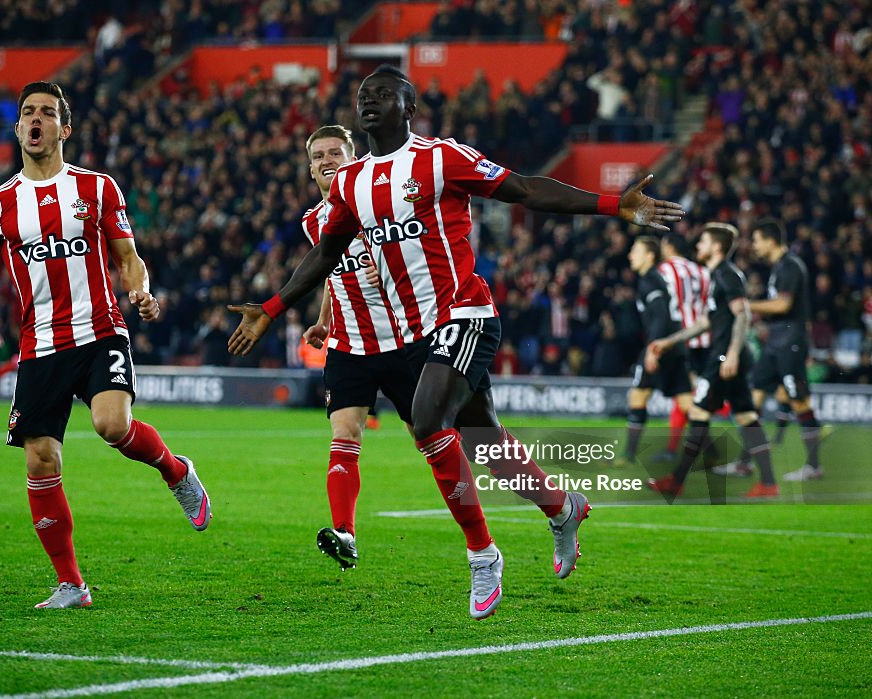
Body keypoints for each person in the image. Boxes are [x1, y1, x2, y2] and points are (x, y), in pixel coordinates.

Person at [229, 65, 684, 619]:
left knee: (427, 422)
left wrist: (612, 205)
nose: (369, 101)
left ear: (409, 105)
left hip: (466, 313)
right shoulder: (352, 183)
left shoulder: (443, 157)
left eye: (382, 94)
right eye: (362, 95)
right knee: (485, 443)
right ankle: (562, 508)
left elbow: (522, 189)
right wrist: (272, 309)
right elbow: (326, 255)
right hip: (417, 331)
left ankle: (482, 554)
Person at [0, 81, 211, 609]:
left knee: (112, 425)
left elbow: (127, 256)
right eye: (28, 113)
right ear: (18, 128)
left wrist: (141, 289)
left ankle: (176, 471)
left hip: (99, 330)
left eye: (48, 113)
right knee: (41, 461)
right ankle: (72, 584)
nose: (37, 120)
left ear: (64, 129)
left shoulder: (96, 189)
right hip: (41, 346)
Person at [298, 124, 418, 571]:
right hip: (348, 345)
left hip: (402, 341)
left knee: (431, 440)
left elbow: (418, 261)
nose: (327, 161)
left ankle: (481, 527)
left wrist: (389, 273)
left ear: (355, 159)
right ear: (311, 169)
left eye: (335, 153)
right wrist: (324, 320)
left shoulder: (379, 209)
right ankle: (345, 532)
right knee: (345, 433)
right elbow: (331, 272)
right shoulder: (314, 222)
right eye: (319, 156)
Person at [647, 223, 779, 499]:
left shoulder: (728, 275)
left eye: (703, 242)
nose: (698, 246)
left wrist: (731, 352)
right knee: (746, 415)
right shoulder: (716, 275)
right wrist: (671, 341)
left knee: (698, 412)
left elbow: (742, 314)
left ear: (716, 247)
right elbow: (709, 321)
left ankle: (676, 481)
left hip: (724, 355)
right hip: (728, 353)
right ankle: (768, 483)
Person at [731, 218, 823, 481]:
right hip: (775, 343)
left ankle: (814, 466)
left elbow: (783, 305)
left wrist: (748, 306)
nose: (754, 246)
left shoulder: (791, 266)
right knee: (754, 398)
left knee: (800, 401)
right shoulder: (779, 267)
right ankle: (744, 462)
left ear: (771, 240)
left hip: (790, 343)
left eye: (757, 240)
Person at [615, 236, 693, 466]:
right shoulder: (654, 279)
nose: (630, 255)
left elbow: (660, 314)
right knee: (688, 404)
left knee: (638, 395)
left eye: (635, 251)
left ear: (649, 256)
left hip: (662, 345)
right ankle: (711, 452)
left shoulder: (650, 280)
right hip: (675, 345)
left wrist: (653, 349)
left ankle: (628, 456)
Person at [652, 232, 711, 462]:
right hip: (704, 339)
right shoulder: (702, 271)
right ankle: (688, 448)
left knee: (685, 395)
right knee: (691, 394)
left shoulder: (663, 271)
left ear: (668, 246)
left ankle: (687, 448)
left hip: (679, 338)